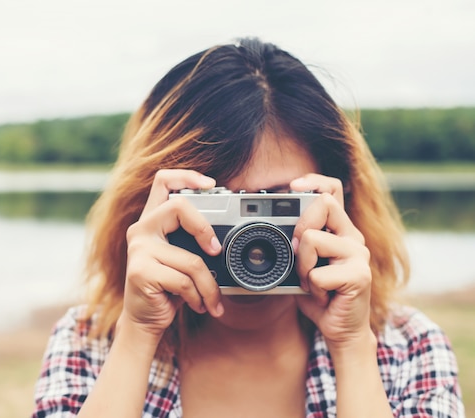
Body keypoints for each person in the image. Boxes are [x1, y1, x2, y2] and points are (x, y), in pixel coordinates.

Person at [31, 37, 464, 417]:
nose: (254, 242)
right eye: (216, 206)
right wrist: (138, 336)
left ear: (341, 202)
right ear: (152, 209)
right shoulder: (92, 345)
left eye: (280, 206)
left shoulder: (408, 350)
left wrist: (352, 349)